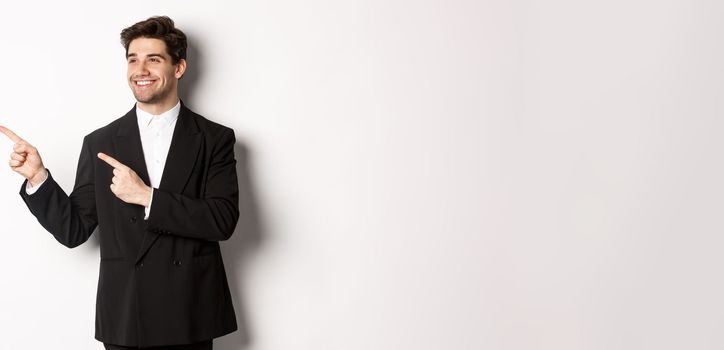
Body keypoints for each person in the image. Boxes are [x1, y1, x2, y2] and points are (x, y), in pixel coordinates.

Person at [0, 16, 238, 350]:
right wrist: (39, 178)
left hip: (190, 312)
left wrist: (147, 197)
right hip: (127, 315)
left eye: (153, 59)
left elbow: (222, 220)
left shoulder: (214, 139)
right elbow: (74, 231)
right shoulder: (101, 142)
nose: (140, 69)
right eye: (132, 59)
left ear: (179, 67)